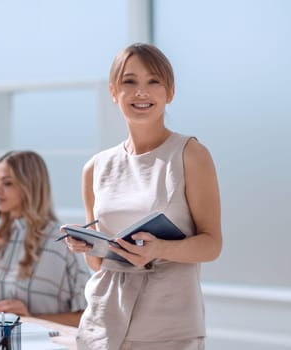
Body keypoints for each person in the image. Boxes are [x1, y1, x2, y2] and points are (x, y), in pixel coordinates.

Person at [62, 43, 222, 349]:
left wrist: (158, 249)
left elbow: (212, 244)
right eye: (129, 82)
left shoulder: (190, 154)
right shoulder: (95, 167)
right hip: (103, 325)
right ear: (113, 91)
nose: (141, 92)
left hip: (169, 326)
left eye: (153, 81)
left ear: (170, 91)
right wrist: (86, 245)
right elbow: (99, 265)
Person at [0, 150, 90, 327]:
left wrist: (30, 317)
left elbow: (87, 318)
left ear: (29, 186)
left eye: (7, 183)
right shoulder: (1, 237)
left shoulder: (63, 242)